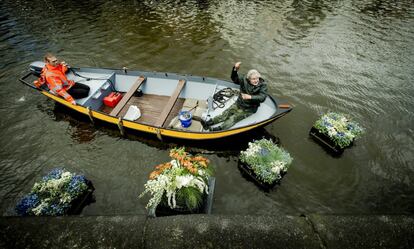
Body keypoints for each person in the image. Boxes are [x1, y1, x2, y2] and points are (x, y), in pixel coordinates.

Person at [203, 62, 268, 131]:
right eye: (253, 79)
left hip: (249, 109)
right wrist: (235, 69)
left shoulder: (263, 85)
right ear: (249, 79)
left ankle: (218, 129)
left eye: (257, 78)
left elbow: (262, 97)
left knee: (234, 118)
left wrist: (250, 97)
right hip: (239, 103)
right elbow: (234, 78)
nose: (256, 80)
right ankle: (209, 123)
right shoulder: (244, 79)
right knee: (226, 113)